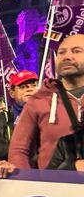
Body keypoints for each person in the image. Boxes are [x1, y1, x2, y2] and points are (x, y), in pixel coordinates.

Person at [9, 35, 84, 169]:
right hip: (52, 187)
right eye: (61, 52)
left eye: (76, 51)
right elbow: (19, 150)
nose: (67, 56)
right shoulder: (38, 100)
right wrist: (26, 184)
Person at [0, 70, 38, 162]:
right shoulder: (1, 118)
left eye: (33, 86)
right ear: (12, 93)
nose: (30, 89)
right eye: (23, 87)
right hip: (15, 173)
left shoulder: (48, 115)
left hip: (44, 174)